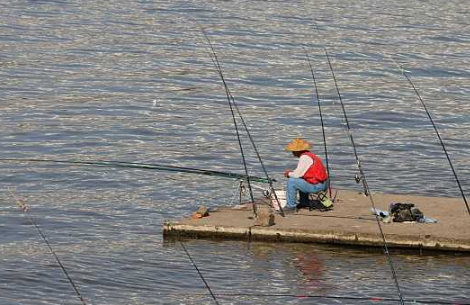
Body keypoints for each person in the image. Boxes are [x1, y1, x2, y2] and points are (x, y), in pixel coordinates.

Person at [283, 138, 329, 213]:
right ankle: (304, 202)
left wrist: (288, 174)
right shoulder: (309, 155)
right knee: (301, 179)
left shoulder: (304, 158)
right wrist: (292, 172)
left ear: (297, 151)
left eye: (293, 151)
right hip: (322, 183)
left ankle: (290, 207)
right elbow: (301, 172)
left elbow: (297, 175)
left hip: (317, 186)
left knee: (292, 181)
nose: (292, 153)